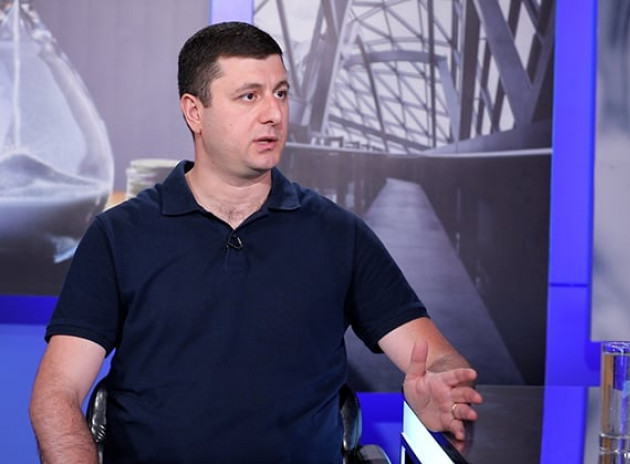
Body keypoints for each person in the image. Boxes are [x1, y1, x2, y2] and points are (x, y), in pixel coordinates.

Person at [29, 21, 482, 464]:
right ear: (194, 112)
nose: (274, 114)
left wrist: (443, 389)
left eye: (280, 93)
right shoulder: (118, 235)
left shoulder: (339, 234)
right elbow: (57, 394)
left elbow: (438, 359)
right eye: (250, 96)